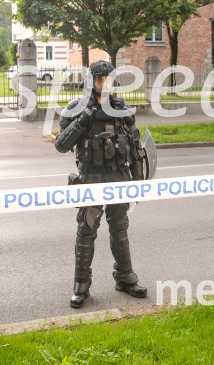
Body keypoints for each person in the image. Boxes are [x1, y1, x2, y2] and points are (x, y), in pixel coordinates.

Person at [54, 60, 147, 308]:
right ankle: (81, 285)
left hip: (118, 177)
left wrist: (138, 182)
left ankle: (125, 277)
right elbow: (61, 144)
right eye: (99, 79)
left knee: (119, 228)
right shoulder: (76, 108)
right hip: (91, 178)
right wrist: (83, 120)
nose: (104, 83)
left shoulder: (121, 108)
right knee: (86, 231)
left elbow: (136, 146)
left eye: (108, 79)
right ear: (90, 81)